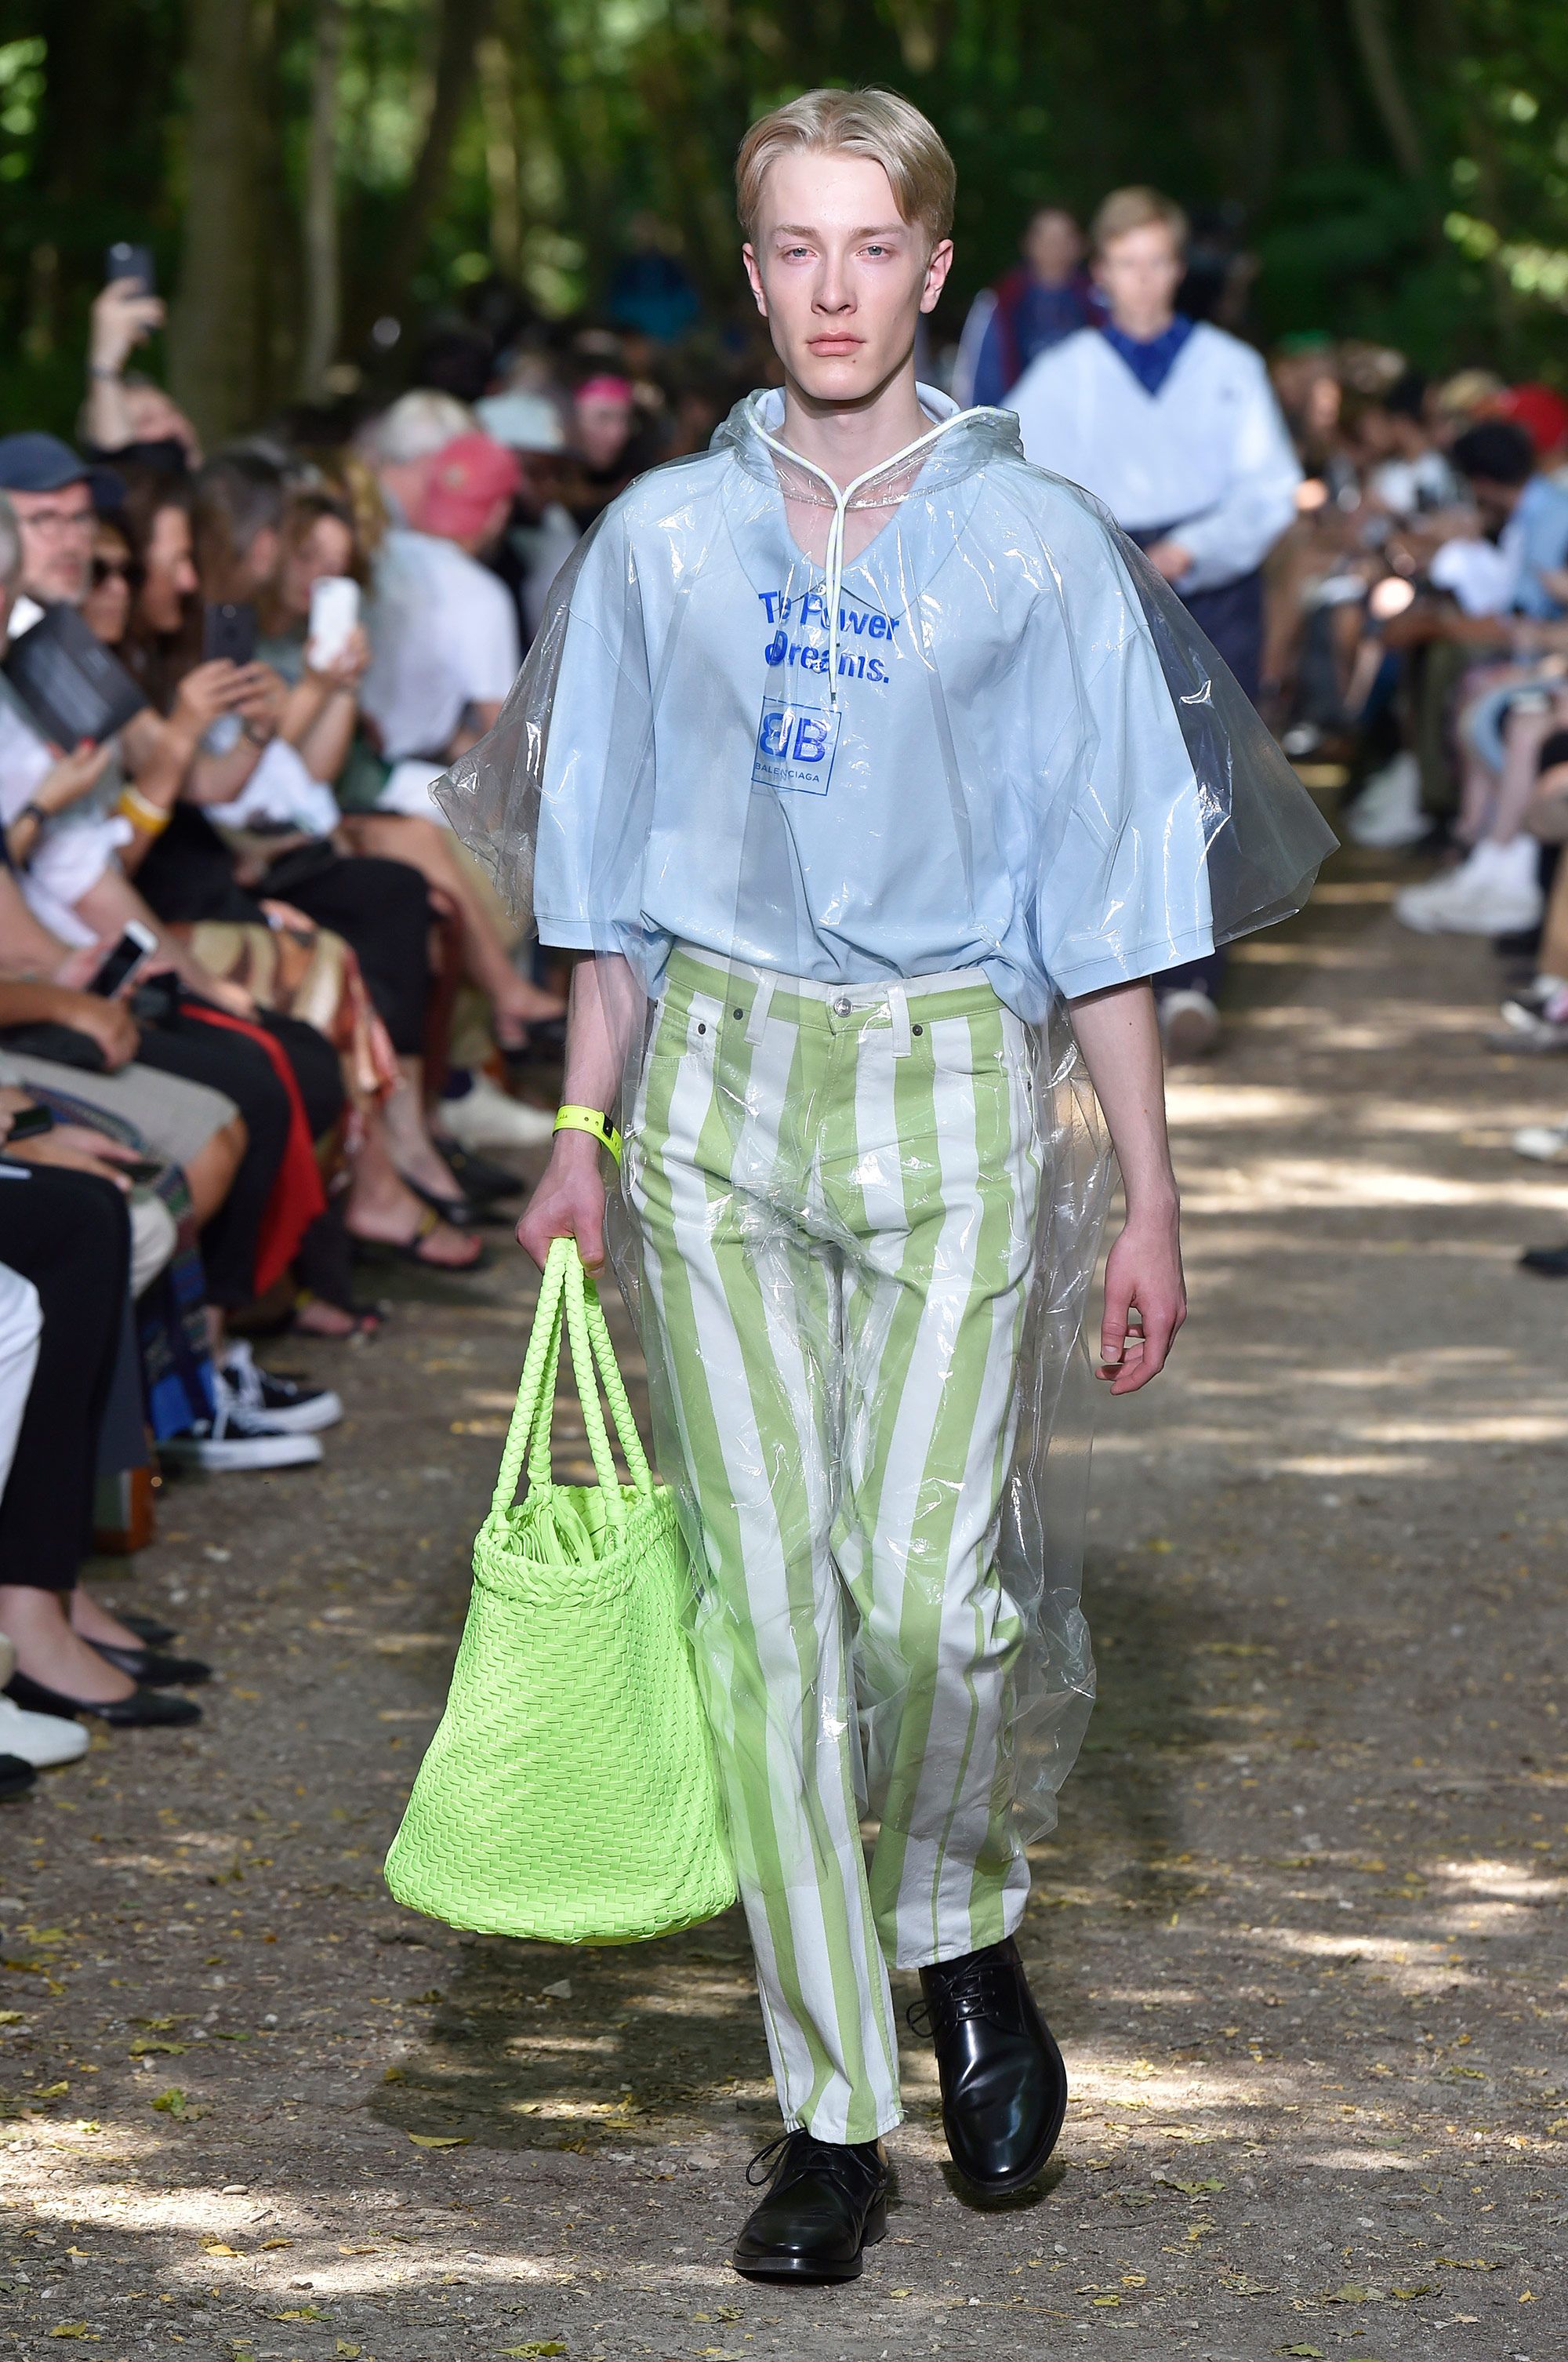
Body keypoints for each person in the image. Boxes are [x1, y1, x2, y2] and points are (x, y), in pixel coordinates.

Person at [441, 87, 1331, 2284]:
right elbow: (606, 888)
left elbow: (1114, 888)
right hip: (725, 1089)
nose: (832, 287)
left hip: (948, 1081)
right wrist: (575, 1137)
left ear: (938, 269)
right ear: (746, 274)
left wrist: (1148, 1190)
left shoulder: (1038, 543)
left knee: (934, 1595)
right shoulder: (655, 538)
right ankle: (827, 2101)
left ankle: (960, 1919)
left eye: (873, 245)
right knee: (768, 1609)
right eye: (791, 245)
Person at [1009, 186, 1302, 1057]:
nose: (1142, 282)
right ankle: (1104, 967)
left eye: (1156, 263)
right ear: (1099, 274)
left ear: (1177, 269)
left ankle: (1192, 980)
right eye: (1124, 265)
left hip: (1209, 583)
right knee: (1103, 772)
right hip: (1100, 581)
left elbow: (1267, 489)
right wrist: (1097, 550)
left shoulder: (1226, 366)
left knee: (1208, 776)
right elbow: (1019, 478)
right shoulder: (1063, 374)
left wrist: (1193, 549)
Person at [952, 205, 1096, 410]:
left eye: (1064, 238)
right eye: (1045, 237)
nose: (1054, 246)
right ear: (1028, 242)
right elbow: (976, 378)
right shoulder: (1000, 302)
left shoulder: (1098, 304)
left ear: (1080, 245)